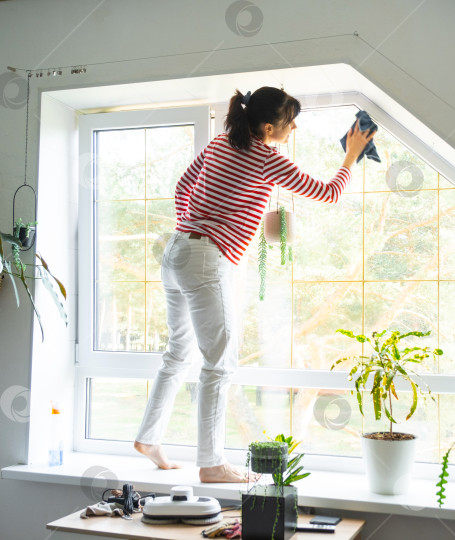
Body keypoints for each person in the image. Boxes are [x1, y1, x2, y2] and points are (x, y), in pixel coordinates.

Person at [134, 86, 376, 482]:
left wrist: (191, 230)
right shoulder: (266, 157)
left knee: (178, 353)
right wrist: (351, 155)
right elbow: (328, 193)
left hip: (176, 251)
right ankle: (211, 464)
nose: (294, 127)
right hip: (206, 259)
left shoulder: (219, 143)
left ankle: (148, 437)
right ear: (269, 127)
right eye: (290, 121)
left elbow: (182, 187)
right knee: (219, 364)